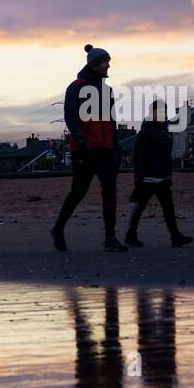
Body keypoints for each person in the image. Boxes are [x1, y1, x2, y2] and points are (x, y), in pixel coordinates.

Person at [51, 44, 127, 252]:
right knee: (78, 192)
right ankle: (58, 229)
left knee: (110, 192)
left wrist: (116, 148)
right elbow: (70, 116)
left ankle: (110, 238)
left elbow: (111, 121)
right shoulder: (76, 86)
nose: (108, 65)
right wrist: (82, 141)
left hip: (106, 149)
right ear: (94, 64)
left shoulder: (106, 90)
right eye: (105, 61)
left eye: (108, 61)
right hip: (85, 149)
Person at [125, 100, 193, 248]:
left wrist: (169, 175)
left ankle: (175, 236)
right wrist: (139, 178)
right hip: (148, 178)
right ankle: (131, 235)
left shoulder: (166, 132)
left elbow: (167, 156)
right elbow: (138, 156)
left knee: (168, 207)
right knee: (140, 206)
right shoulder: (145, 132)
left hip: (162, 177)